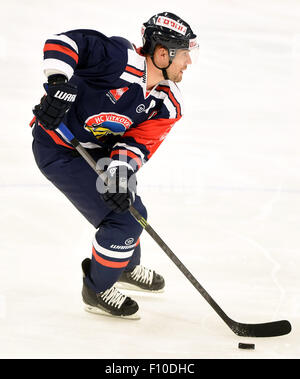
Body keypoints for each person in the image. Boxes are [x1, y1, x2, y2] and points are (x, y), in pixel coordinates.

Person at [30, 12, 198, 319]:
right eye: (185, 54)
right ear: (163, 53)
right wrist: (57, 84)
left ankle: (123, 266)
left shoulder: (167, 103)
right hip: (59, 148)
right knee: (123, 222)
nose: (189, 62)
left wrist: (119, 174)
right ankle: (97, 288)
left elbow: (138, 143)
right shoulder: (119, 60)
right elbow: (64, 43)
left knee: (132, 209)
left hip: (100, 151)